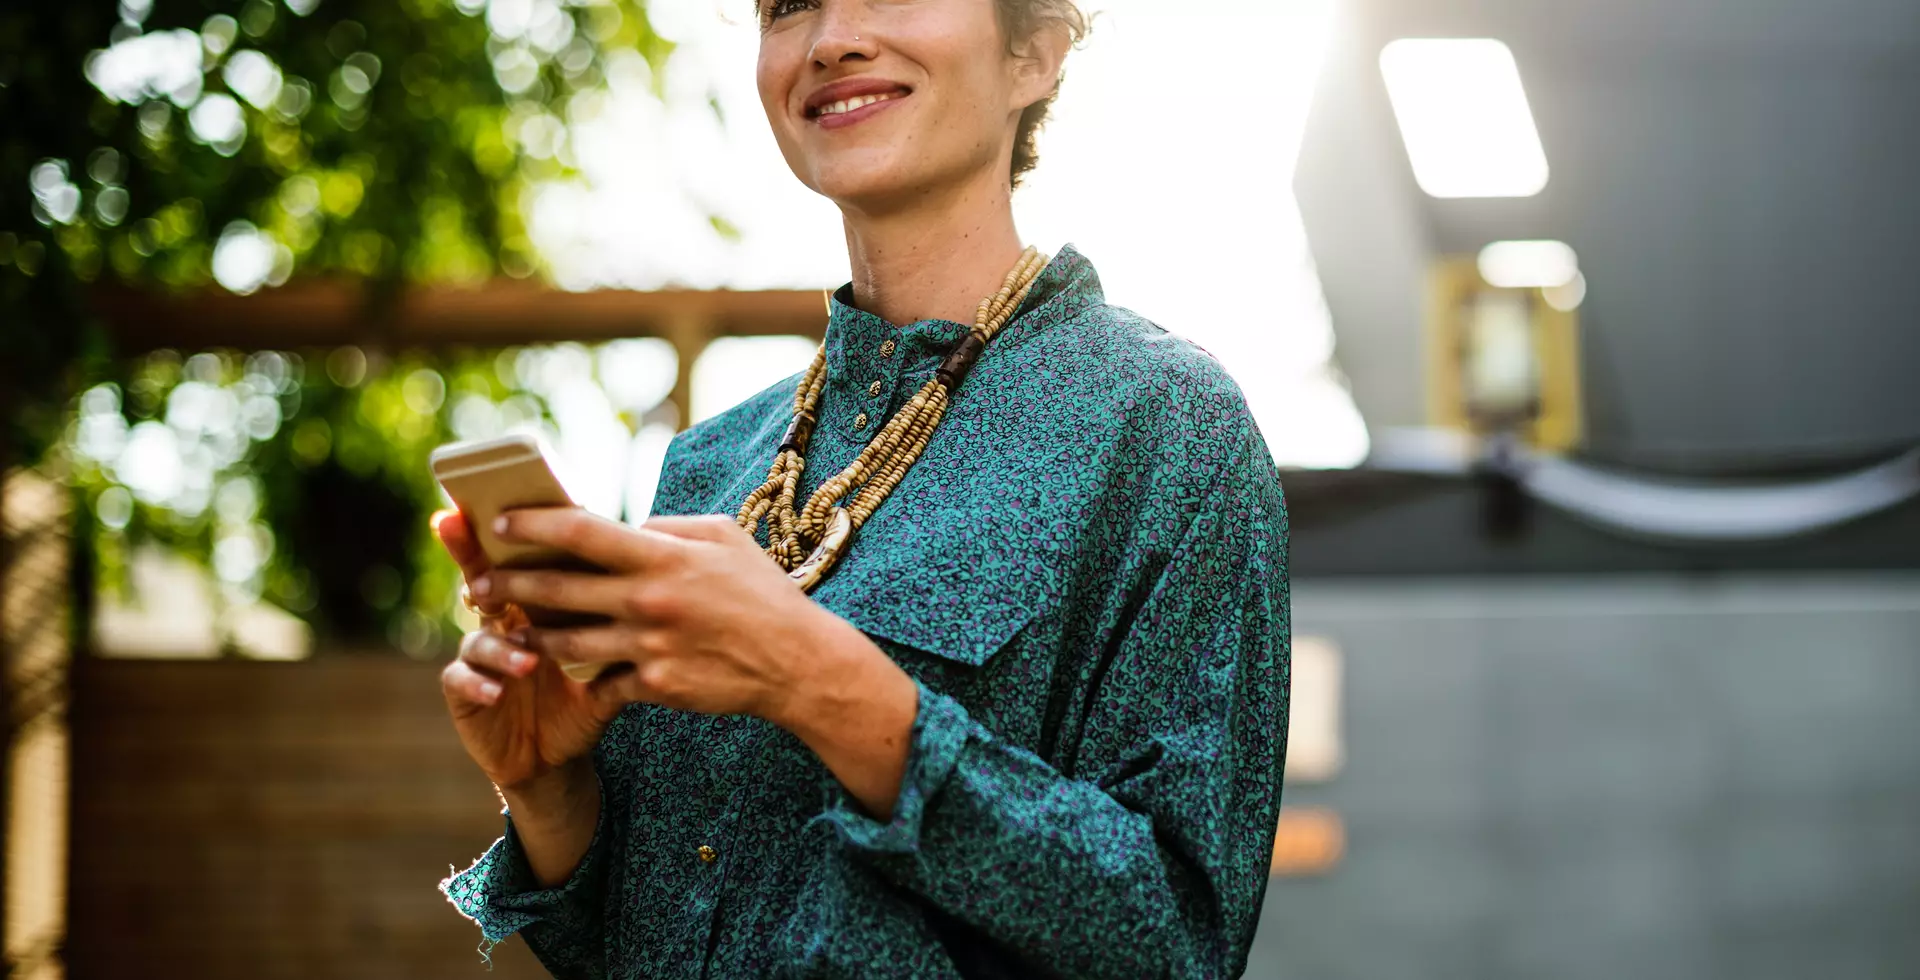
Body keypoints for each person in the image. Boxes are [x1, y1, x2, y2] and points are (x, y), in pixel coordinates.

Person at [436, 1, 1291, 976]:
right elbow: (628, 942)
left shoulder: (1168, 428)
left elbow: (1176, 941)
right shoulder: (709, 468)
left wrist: (820, 682)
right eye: (788, 4)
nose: (831, 36)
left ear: (1036, 56)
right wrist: (550, 790)